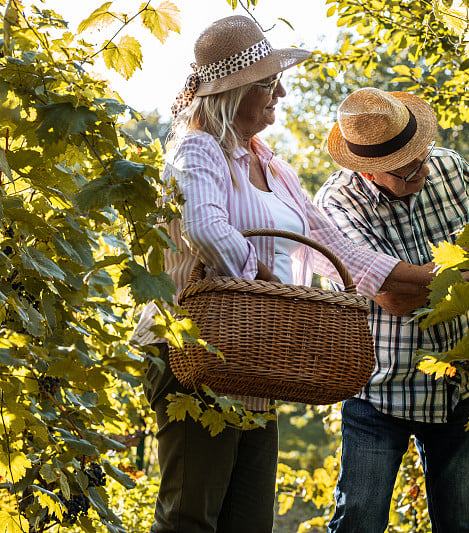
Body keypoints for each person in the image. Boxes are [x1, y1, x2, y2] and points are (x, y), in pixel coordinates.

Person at [132, 18, 434, 533]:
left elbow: (331, 247)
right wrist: (267, 284)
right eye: (269, 84)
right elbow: (206, 230)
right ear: (236, 92)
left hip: (253, 357)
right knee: (190, 519)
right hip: (197, 351)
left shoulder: (271, 164)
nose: (282, 92)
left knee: (249, 521)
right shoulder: (198, 148)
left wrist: (431, 278)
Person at [314, 87, 469, 533]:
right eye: (407, 171)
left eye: (421, 155)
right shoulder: (337, 206)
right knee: (359, 522)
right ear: (370, 174)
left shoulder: (450, 168)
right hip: (380, 391)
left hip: (460, 384)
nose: (422, 171)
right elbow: (393, 298)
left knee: (466, 524)